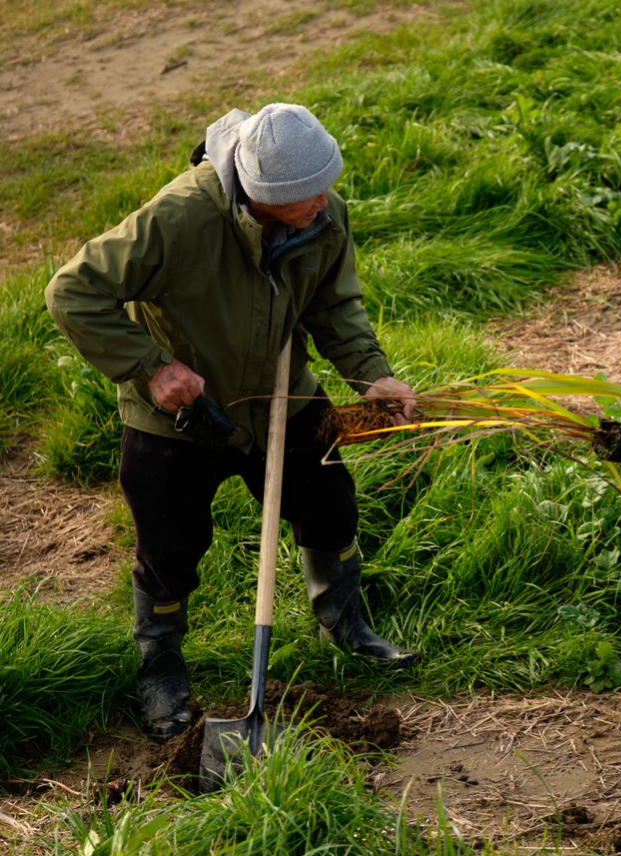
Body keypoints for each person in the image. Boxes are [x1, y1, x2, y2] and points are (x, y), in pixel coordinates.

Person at [46, 103, 418, 742]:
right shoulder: (180, 218)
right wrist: (153, 368)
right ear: (262, 196)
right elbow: (72, 291)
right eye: (306, 197)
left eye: (327, 185)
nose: (324, 203)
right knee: (170, 547)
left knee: (330, 505)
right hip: (184, 414)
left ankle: (346, 623)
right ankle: (159, 666)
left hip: (283, 396)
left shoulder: (322, 214)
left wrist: (371, 374)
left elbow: (335, 306)